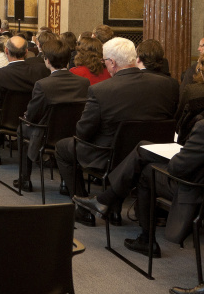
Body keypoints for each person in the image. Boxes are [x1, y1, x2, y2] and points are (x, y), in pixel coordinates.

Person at [54, 37, 179, 225]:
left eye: (105, 61)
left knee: (63, 148)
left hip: (107, 155)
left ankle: (82, 208)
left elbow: (83, 132)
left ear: (111, 63)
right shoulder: (168, 85)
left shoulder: (100, 91)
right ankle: (112, 207)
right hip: (149, 154)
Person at [73, 118, 204, 264]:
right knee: (142, 148)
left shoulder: (202, 127)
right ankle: (106, 200)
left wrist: (178, 155)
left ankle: (146, 239)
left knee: (147, 173)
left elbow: (177, 168)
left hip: (193, 189)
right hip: (197, 177)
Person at [15, 39, 90, 191]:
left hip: (47, 136)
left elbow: (32, 117)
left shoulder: (43, 85)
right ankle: (64, 182)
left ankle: (25, 179)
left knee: (21, 129)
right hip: (74, 134)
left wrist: (27, 118)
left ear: (47, 60)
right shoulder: (84, 83)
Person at [0, 36, 50, 146]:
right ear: (26, 52)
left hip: (5, 120)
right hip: (32, 118)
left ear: (6, 51)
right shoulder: (41, 70)